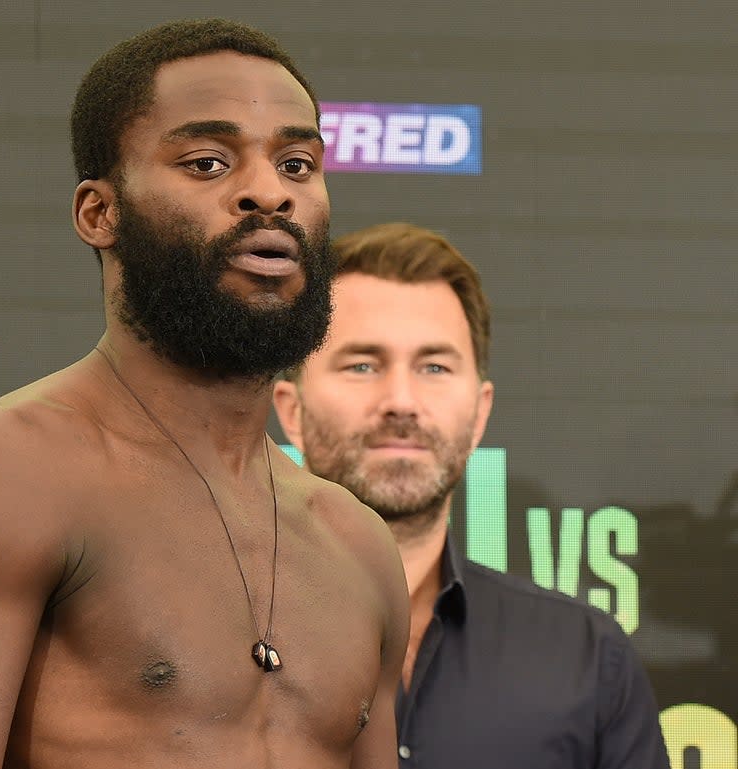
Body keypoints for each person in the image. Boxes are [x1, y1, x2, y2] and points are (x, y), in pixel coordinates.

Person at [0, 19, 409, 769]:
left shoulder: (359, 546)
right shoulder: (3, 475)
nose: (268, 193)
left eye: (298, 164)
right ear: (99, 213)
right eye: (208, 163)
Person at [273, 222, 670, 768]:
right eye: (362, 365)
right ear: (290, 410)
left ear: (480, 413)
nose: (401, 401)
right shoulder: (191, 642)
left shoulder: (587, 657)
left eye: (434, 367)